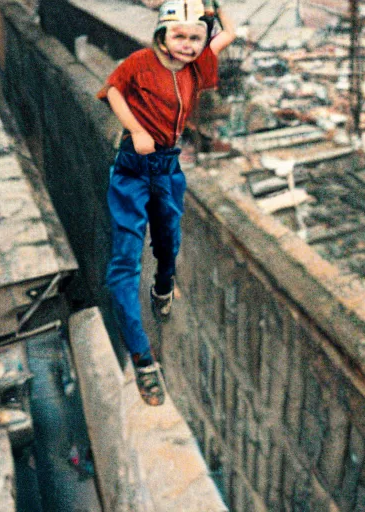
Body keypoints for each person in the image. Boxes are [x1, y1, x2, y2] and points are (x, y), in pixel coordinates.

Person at [97, 0, 236, 406]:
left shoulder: (196, 66)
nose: (189, 45)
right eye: (180, 36)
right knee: (124, 263)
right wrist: (136, 130)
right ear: (162, 35)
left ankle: (162, 288)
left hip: (168, 166)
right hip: (134, 165)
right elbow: (113, 92)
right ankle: (143, 359)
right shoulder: (140, 62)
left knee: (168, 244)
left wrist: (217, 8)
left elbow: (228, 35)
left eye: (196, 38)